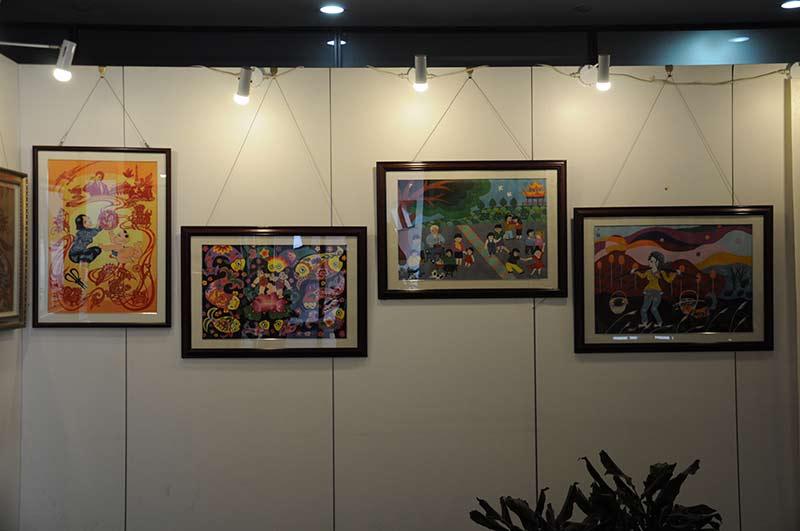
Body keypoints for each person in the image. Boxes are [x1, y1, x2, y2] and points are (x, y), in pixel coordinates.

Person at [631, 251, 680, 328]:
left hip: (657, 292)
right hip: (648, 291)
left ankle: (659, 323)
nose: (649, 262)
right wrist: (635, 271)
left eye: (651, 261)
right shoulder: (648, 271)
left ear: (657, 262)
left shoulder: (661, 272)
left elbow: (668, 280)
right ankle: (644, 323)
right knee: (644, 309)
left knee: (654, 309)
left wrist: (675, 274)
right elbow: (642, 276)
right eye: (649, 260)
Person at [68, 214, 104, 287]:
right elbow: (94, 232)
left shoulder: (87, 230)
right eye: (85, 221)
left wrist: (102, 225)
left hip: (82, 251)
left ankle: (84, 260)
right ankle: (83, 278)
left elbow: (96, 230)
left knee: (97, 249)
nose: (89, 221)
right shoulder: (82, 232)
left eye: (88, 219)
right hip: (75, 255)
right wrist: (98, 224)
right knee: (86, 256)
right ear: (81, 225)